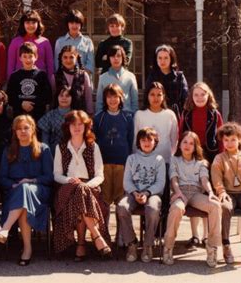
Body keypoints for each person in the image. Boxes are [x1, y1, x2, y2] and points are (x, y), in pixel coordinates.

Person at [53, 110, 112, 260]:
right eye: (73, 124)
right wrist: (69, 180)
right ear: (68, 127)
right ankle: (96, 235)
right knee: (78, 189)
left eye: (80, 124)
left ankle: (80, 244)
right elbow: (57, 174)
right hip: (67, 187)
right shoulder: (61, 147)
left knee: (81, 191)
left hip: (90, 188)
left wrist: (87, 185)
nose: (77, 127)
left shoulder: (93, 147)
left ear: (86, 126)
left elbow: (100, 175)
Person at [0, 115, 53, 266]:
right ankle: (27, 248)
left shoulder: (43, 149)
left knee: (25, 189)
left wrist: (32, 180)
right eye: (19, 129)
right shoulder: (8, 151)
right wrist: (14, 185)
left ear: (33, 129)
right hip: (15, 193)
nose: (22, 131)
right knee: (23, 196)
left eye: (26, 128)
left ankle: (5, 228)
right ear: (14, 132)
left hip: (39, 192)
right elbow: (2, 178)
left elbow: (49, 177)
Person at [163, 131, 221, 267]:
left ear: (195, 147)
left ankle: (212, 247)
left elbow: (204, 179)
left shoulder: (201, 162)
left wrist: (211, 192)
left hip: (195, 193)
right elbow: (173, 179)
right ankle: (168, 246)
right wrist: (178, 193)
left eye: (191, 143)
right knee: (177, 208)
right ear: (180, 144)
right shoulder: (174, 159)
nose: (187, 146)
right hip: (180, 192)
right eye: (185, 142)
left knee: (215, 206)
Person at [180, 81, 224, 248]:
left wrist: (219, 158)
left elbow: (220, 137)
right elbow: (180, 133)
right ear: (191, 96)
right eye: (196, 94)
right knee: (193, 190)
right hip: (191, 156)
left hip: (210, 155)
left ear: (208, 96)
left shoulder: (215, 114)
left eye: (202, 94)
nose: (199, 97)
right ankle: (195, 235)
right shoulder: (187, 113)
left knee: (206, 195)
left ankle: (207, 235)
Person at [116, 127, 165, 263]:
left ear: (155, 142)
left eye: (150, 140)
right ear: (138, 142)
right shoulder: (132, 158)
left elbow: (160, 183)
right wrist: (135, 192)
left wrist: (147, 193)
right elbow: (127, 181)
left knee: (153, 209)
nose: (146, 143)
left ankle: (148, 244)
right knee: (121, 207)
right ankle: (131, 243)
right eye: (143, 140)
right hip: (133, 193)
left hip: (152, 194)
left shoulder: (159, 159)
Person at [93, 83, 134, 241]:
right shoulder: (99, 118)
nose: (112, 100)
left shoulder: (127, 117)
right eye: (109, 96)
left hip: (122, 164)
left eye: (115, 96)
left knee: (120, 200)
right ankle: (104, 233)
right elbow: (94, 142)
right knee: (104, 201)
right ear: (105, 98)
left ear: (121, 97)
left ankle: (121, 234)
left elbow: (130, 141)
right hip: (104, 164)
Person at [211, 122, 241, 264]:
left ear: (239, 140)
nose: (229, 143)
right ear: (222, 141)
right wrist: (221, 191)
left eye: (233, 140)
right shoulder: (219, 158)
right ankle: (226, 244)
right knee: (225, 207)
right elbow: (216, 177)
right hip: (228, 193)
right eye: (226, 140)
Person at [134, 82, 178, 166]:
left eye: (159, 95)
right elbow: (135, 140)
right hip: (144, 161)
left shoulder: (170, 115)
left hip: (165, 160)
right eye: (152, 94)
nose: (156, 98)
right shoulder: (139, 114)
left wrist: (170, 155)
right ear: (147, 96)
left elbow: (174, 139)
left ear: (164, 96)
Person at [7, 42, 52, 122]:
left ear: (36, 57)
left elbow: (47, 96)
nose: (28, 59)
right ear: (20, 58)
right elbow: (10, 97)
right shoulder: (14, 76)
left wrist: (34, 104)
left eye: (30, 56)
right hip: (19, 115)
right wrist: (21, 104)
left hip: (37, 116)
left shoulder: (42, 75)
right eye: (24, 56)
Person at [7, 9, 54, 83]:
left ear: (38, 24)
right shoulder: (15, 42)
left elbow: (50, 65)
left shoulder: (45, 42)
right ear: (23, 24)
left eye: (34, 22)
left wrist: (48, 83)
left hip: (40, 81)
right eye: (28, 22)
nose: (31, 25)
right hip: (19, 81)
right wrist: (11, 82)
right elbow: (10, 65)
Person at [145, 44, 188, 119]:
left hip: (175, 114)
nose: (162, 61)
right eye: (160, 58)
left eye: (166, 58)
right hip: (156, 112)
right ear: (156, 59)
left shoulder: (179, 76)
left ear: (171, 59)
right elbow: (147, 97)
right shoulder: (152, 76)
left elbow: (185, 98)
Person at [95, 45, 138, 114]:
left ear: (123, 57)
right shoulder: (103, 77)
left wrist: (133, 117)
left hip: (127, 116)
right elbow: (99, 102)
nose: (116, 58)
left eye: (118, 56)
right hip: (108, 116)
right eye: (112, 56)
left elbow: (134, 102)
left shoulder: (130, 76)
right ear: (109, 58)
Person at [54, 9, 95, 78]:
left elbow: (90, 63)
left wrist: (82, 77)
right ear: (67, 24)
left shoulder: (88, 42)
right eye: (71, 23)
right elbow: (57, 63)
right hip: (64, 80)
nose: (74, 26)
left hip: (83, 80)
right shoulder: (60, 42)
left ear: (81, 24)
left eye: (77, 23)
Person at [54, 45, 94, 115]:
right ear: (61, 59)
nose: (68, 60)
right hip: (60, 116)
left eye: (71, 57)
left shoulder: (83, 75)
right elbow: (53, 98)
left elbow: (88, 97)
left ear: (76, 58)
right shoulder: (55, 77)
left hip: (79, 115)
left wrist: (90, 113)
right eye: (65, 57)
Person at [37, 86, 72, 156]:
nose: (64, 98)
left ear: (72, 98)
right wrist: (48, 156)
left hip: (74, 154)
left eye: (67, 96)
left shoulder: (77, 115)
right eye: (61, 95)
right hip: (53, 154)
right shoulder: (49, 116)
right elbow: (45, 141)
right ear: (57, 97)